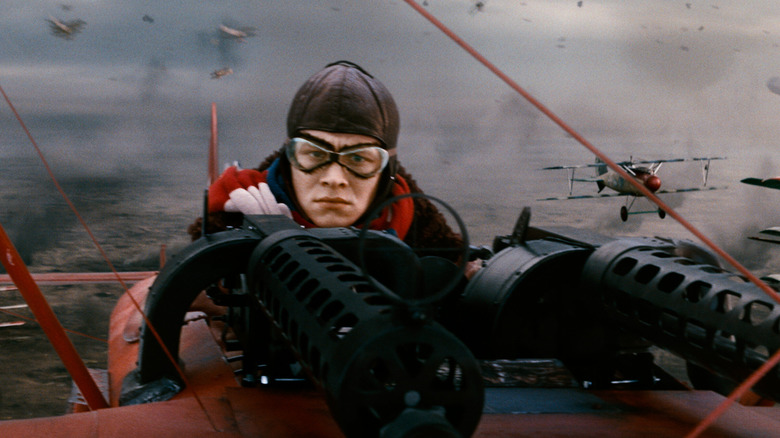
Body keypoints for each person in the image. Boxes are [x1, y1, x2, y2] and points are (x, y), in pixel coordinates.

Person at [187, 60, 464, 259]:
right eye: (314, 154)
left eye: (358, 158)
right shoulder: (231, 218)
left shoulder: (429, 244)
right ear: (289, 160)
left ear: (386, 171)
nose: (334, 178)